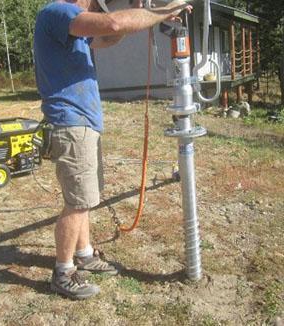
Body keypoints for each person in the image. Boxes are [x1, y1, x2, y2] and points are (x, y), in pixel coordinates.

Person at [33, 0, 193, 299]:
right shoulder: (58, 12)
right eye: (95, 1)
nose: (98, 5)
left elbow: (109, 37)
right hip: (72, 121)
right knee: (77, 201)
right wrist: (161, 11)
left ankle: (83, 254)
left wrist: (137, 9)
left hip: (83, 121)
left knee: (86, 197)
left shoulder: (73, 28)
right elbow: (114, 24)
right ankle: (63, 272)